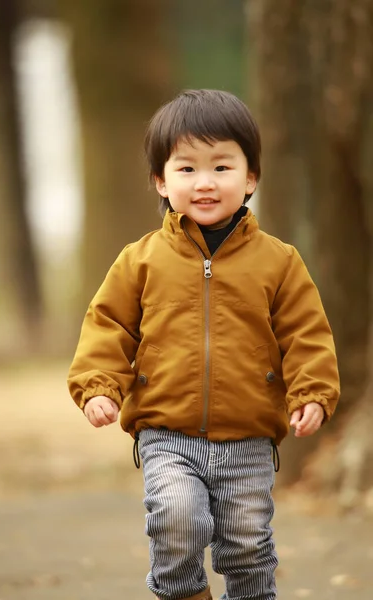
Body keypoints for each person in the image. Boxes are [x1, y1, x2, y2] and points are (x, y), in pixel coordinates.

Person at [68, 89, 340, 600]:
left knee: (248, 547)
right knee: (176, 522)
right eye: (187, 169)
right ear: (160, 180)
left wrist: (312, 393)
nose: (206, 182)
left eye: (222, 166)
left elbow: (306, 334)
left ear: (251, 176)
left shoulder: (279, 262)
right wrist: (98, 386)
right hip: (166, 432)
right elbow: (107, 326)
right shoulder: (140, 261)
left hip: (249, 437)